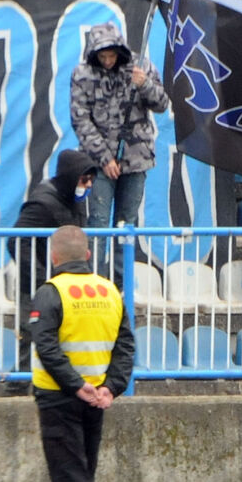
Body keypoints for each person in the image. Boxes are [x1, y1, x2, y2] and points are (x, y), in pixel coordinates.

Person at [31, 225, 134, 482]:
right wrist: (111, 387)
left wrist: (74, 385)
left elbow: (45, 346)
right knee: (83, 474)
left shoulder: (50, 292)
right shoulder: (110, 290)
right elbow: (125, 346)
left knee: (70, 476)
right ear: (88, 255)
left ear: (54, 257)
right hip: (97, 398)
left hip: (59, 397)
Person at [70, 21, 169, 286]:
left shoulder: (141, 66)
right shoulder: (82, 74)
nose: (108, 61)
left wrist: (144, 84)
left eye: (112, 55)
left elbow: (162, 103)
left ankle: (120, 290)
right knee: (99, 223)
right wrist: (104, 158)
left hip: (136, 159)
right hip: (99, 161)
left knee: (127, 225)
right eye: (102, 56)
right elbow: (81, 120)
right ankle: (95, 286)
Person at [6, 149, 99, 397]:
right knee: (32, 333)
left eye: (91, 180)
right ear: (71, 177)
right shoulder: (43, 202)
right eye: (84, 180)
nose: (88, 185)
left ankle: (57, 385)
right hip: (40, 284)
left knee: (59, 336)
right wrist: (41, 280)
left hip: (67, 285)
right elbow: (17, 241)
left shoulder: (77, 200)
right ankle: (16, 389)